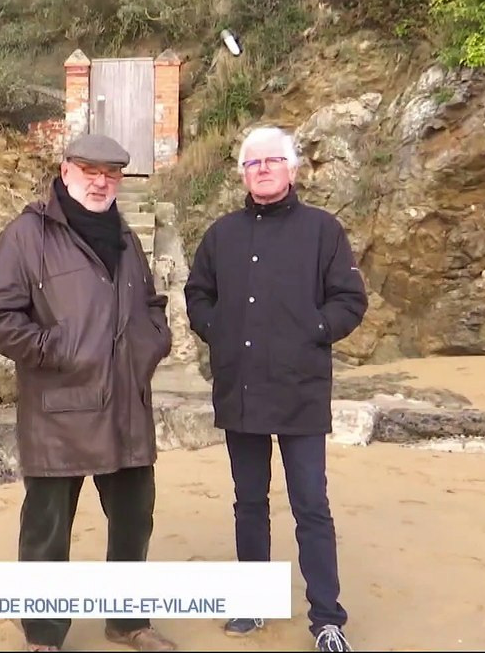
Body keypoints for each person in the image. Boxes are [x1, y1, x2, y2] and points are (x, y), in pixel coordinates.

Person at [0, 133, 178, 653]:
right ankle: (43, 635)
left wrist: (150, 346)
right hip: (59, 411)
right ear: (65, 171)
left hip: (126, 409)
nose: (100, 181)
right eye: (89, 170)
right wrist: (58, 350)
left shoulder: (126, 239)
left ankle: (127, 622)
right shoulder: (26, 235)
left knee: (134, 521)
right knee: (46, 531)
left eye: (110, 174)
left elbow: (152, 304)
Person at [183, 126, 368, 652]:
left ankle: (327, 619)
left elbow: (349, 300)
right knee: (249, 502)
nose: (262, 170)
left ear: (292, 168)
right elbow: (198, 293)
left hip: (301, 390)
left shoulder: (322, 230)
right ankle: (253, 601)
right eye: (252, 163)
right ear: (242, 174)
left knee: (311, 503)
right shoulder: (222, 234)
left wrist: (313, 330)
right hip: (240, 389)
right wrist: (216, 329)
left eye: (272, 161)